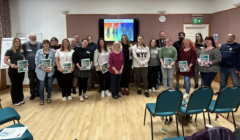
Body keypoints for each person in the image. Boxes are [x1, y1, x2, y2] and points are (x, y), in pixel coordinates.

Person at [4, 37, 25, 106]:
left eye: (19, 41)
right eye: (16, 41)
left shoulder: (21, 50)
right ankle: (15, 100)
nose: (18, 42)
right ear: (14, 42)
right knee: (15, 85)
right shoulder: (9, 50)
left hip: (21, 70)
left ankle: (21, 99)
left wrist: (25, 64)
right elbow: (5, 60)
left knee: (20, 84)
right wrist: (12, 65)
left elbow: (22, 59)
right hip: (13, 71)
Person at [22, 33, 42, 100]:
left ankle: (38, 93)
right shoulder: (24, 45)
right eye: (32, 37)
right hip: (30, 67)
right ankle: (32, 93)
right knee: (32, 81)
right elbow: (21, 55)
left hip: (39, 67)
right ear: (29, 37)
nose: (33, 38)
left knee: (39, 81)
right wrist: (23, 63)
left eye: (34, 37)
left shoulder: (40, 44)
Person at [35, 39, 55, 105]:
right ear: (43, 44)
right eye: (45, 43)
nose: (46, 45)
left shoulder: (52, 52)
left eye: (47, 43)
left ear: (49, 44)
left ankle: (48, 97)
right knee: (41, 86)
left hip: (50, 71)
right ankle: (41, 99)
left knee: (49, 85)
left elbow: (54, 62)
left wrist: (51, 68)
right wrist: (43, 68)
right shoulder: (38, 51)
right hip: (41, 71)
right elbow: (36, 62)